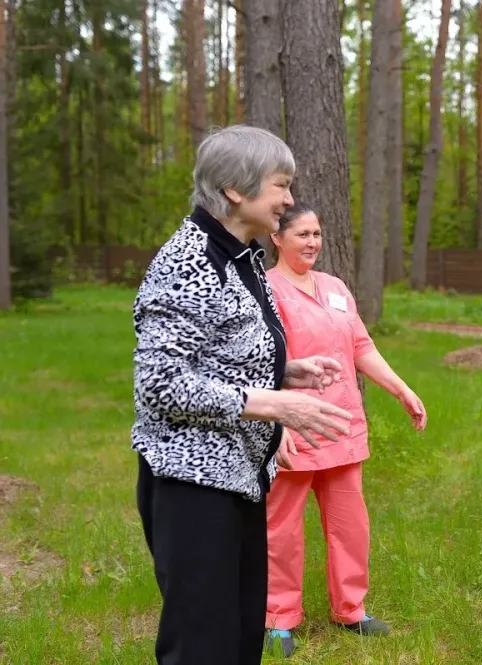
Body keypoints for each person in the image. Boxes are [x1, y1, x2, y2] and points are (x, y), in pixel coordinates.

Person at [131, 125, 355, 665]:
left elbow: (219, 356)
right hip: (192, 486)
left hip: (242, 477)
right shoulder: (189, 262)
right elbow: (161, 383)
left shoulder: (241, 257)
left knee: (239, 637)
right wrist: (274, 404)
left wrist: (288, 371)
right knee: (202, 644)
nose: (288, 199)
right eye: (280, 184)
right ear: (235, 189)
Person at [262, 204, 428, 657]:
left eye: (316, 233)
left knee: (350, 525)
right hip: (294, 427)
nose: (312, 242)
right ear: (277, 238)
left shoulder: (335, 287)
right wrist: (276, 424)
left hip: (343, 427)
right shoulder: (265, 289)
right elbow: (259, 362)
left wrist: (401, 390)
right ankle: (278, 618)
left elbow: (361, 346)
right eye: (302, 234)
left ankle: (350, 610)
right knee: (282, 529)